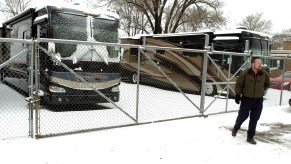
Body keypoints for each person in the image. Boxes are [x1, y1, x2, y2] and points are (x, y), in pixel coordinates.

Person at [232, 56, 270, 145]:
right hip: (246, 99)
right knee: (243, 116)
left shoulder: (264, 74)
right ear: (253, 64)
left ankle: (250, 137)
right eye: (258, 63)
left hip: (258, 101)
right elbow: (239, 85)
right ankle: (236, 127)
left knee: (254, 119)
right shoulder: (245, 73)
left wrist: (260, 91)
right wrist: (238, 95)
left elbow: (267, 84)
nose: (260, 65)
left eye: (261, 63)